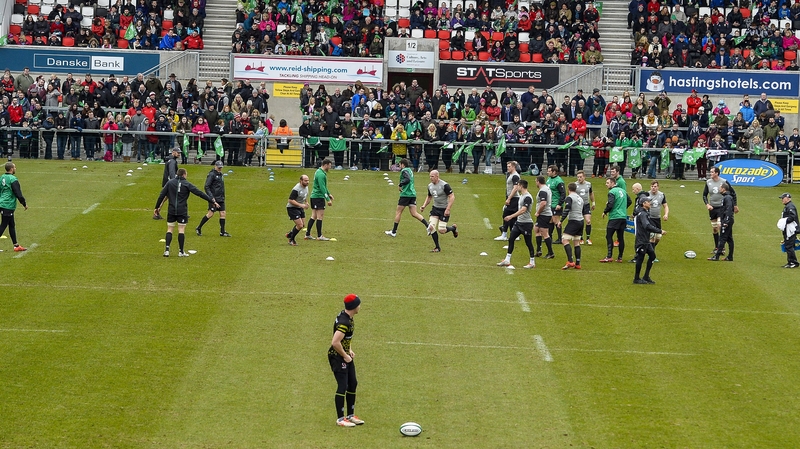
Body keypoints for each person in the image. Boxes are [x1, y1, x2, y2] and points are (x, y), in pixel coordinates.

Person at [154, 168, 217, 257]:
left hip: (171, 210)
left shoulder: (170, 183)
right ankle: (181, 251)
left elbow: (161, 195)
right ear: (184, 174)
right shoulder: (187, 184)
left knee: (170, 229)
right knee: (181, 230)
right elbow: (199, 193)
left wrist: (157, 207)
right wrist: (212, 201)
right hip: (182, 210)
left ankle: (167, 250)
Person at [328, 293, 365, 428]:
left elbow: (346, 339)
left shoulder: (348, 317)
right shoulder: (344, 323)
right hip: (337, 356)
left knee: (353, 383)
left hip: (344, 355)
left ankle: (350, 416)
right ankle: (340, 419)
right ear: (354, 306)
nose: (360, 306)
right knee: (342, 386)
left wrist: (349, 349)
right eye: (358, 304)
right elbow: (335, 342)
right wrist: (344, 355)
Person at [497, 179, 536, 269]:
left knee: (528, 242)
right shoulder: (522, 196)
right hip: (519, 222)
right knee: (511, 239)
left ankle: (532, 262)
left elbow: (523, 210)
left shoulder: (527, 197)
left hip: (526, 223)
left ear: (521, 186)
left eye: (518, 185)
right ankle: (507, 259)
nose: (516, 187)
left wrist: (511, 216)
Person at [385, 158, 429, 237]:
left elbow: (407, 179)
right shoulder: (410, 171)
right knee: (414, 213)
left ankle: (394, 232)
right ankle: (428, 226)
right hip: (412, 194)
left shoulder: (404, 171)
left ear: (403, 164)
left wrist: (400, 184)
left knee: (398, 212)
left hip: (406, 194)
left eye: (400, 164)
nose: (400, 166)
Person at [420, 170, 458, 252]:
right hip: (435, 209)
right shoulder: (429, 186)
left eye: (432, 176)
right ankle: (437, 247)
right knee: (431, 227)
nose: (431, 178)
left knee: (441, 230)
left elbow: (452, 197)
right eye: (430, 176)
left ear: (437, 176)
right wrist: (424, 206)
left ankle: (453, 228)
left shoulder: (444, 185)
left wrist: (448, 209)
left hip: (444, 210)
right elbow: (429, 197)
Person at [703, 166, 738, 255]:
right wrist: (707, 204)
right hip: (712, 208)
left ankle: (722, 248)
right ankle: (717, 247)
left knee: (720, 225)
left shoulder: (724, 182)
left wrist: (735, 205)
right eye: (710, 172)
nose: (710, 174)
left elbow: (733, 193)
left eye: (712, 172)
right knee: (715, 229)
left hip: (722, 208)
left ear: (717, 173)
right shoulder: (708, 182)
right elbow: (704, 195)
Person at [633, 196, 666, 284]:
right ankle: (636, 278)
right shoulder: (643, 214)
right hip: (642, 240)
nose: (650, 203)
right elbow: (646, 226)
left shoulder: (643, 212)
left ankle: (646, 276)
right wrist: (659, 231)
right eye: (648, 202)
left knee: (652, 256)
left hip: (645, 240)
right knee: (640, 258)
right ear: (644, 204)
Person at [195, 160, 230, 237]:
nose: (220, 169)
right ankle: (199, 227)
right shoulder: (211, 175)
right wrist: (211, 198)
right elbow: (207, 186)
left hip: (220, 198)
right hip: (214, 198)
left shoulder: (220, 174)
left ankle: (222, 231)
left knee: (223, 213)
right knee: (210, 214)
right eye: (219, 167)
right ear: (215, 166)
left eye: (221, 167)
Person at [601, 176, 630, 262]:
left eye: (607, 183)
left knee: (609, 236)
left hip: (614, 217)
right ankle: (620, 257)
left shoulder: (612, 192)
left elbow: (610, 204)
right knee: (620, 237)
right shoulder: (623, 191)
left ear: (613, 183)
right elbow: (629, 201)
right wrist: (623, 208)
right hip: (623, 217)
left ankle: (609, 256)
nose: (606, 185)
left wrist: (605, 211)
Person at [0, 162, 28, 252]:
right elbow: (18, 193)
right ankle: (16, 246)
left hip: (2, 203)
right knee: (4, 224)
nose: (15, 169)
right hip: (7, 204)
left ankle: (16, 245)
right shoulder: (13, 179)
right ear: (11, 169)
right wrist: (24, 203)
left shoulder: (2, 177)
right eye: (15, 167)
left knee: (11, 224)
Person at [306, 158, 334, 241]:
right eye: (329, 166)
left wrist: (329, 193)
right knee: (320, 216)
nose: (330, 167)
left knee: (313, 216)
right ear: (325, 165)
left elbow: (324, 186)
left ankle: (307, 234)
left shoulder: (318, 172)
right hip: (318, 197)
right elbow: (322, 188)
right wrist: (327, 199)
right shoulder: (321, 174)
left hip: (314, 197)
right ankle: (319, 235)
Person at [495, 161, 521, 241]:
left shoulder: (515, 176)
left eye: (509, 166)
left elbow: (515, 188)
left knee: (506, 215)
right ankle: (515, 235)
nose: (508, 168)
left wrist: (509, 198)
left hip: (514, 198)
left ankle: (504, 234)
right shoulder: (511, 175)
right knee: (512, 217)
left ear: (513, 167)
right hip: (512, 198)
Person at [560, 182, 584, 270]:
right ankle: (578, 263)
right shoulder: (580, 198)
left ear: (568, 189)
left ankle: (570, 261)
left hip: (574, 221)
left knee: (565, 240)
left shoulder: (569, 197)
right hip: (581, 220)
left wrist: (561, 220)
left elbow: (567, 209)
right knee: (576, 242)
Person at [708, 182, 734, 261]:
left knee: (722, 238)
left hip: (727, 221)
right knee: (729, 239)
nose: (719, 189)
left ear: (723, 189)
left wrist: (725, 221)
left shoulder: (727, 198)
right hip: (728, 220)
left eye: (720, 187)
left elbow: (729, 209)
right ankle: (730, 257)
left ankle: (717, 256)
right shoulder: (726, 197)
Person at [154, 146, 181, 220]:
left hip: (168, 182)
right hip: (169, 183)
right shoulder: (172, 161)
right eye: (178, 153)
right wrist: (173, 181)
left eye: (179, 153)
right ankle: (156, 213)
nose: (179, 154)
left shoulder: (171, 160)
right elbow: (172, 172)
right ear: (173, 152)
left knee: (167, 198)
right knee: (172, 198)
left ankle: (157, 212)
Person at [533, 175, 554, 258]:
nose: (535, 183)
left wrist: (538, 212)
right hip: (544, 214)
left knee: (544, 233)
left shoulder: (543, 191)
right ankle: (538, 250)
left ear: (538, 181)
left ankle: (551, 252)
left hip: (544, 214)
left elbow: (543, 203)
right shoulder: (546, 189)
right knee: (536, 228)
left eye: (536, 181)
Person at [285, 174, 310, 246]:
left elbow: (304, 195)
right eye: (305, 181)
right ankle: (291, 239)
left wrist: (306, 202)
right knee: (300, 225)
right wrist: (301, 205)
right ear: (301, 181)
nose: (307, 182)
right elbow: (290, 200)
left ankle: (290, 234)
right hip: (292, 208)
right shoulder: (296, 189)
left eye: (308, 180)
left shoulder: (306, 187)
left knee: (303, 224)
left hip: (300, 207)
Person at [545, 165, 566, 245]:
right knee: (550, 220)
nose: (548, 172)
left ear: (554, 172)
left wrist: (559, 204)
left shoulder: (559, 181)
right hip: (550, 203)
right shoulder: (549, 179)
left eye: (549, 171)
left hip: (555, 204)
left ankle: (560, 238)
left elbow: (563, 193)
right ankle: (549, 237)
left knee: (556, 220)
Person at [575, 170, 595, 245]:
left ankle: (588, 238)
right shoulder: (574, 185)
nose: (579, 178)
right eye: (578, 177)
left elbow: (591, 193)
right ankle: (581, 238)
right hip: (578, 206)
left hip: (586, 205)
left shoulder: (589, 184)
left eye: (580, 177)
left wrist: (593, 203)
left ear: (584, 177)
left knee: (588, 221)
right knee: (579, 222)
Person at [778, 192, 798, 268]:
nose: (782, 200)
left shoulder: (790, 207)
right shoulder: (788, 206)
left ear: (788, 198)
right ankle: (791, 261)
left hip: (790, 230)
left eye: (783, 198)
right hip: (788, 229)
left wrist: (784, 221)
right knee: (788, 245)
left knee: (789, 246)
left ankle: (793, 262)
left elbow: (792, 217)